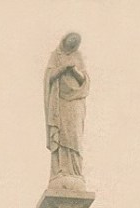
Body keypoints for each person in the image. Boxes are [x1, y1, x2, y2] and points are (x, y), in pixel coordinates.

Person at [44, 32, 90, 182]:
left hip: (75, 101)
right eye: (70, 39)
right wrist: (63, 68)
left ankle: (75, 172)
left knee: (75, 135)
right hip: (61, 102)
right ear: (65, 39)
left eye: (75, 41)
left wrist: (74, 70)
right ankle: (61, 170)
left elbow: (84, 79)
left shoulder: (78, 56)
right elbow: (49, 77)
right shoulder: (56, 55)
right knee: (62, 133)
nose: (72, 43)